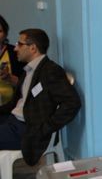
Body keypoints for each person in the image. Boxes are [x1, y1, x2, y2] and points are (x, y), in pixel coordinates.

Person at [0, 28, 81, 166]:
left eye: (20, 44)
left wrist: (46, 128)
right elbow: (17, 103)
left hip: (25, 129)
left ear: (32, 48)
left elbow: (72, 103)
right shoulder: (28, 71)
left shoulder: (50, 71)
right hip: (13, 120)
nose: (15, 48)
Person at [0, 15, 25, 103]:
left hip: (11, 106)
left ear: (5, 34)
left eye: (0, 31)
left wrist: (10, 78)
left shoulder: (15, 52)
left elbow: (27, 83)